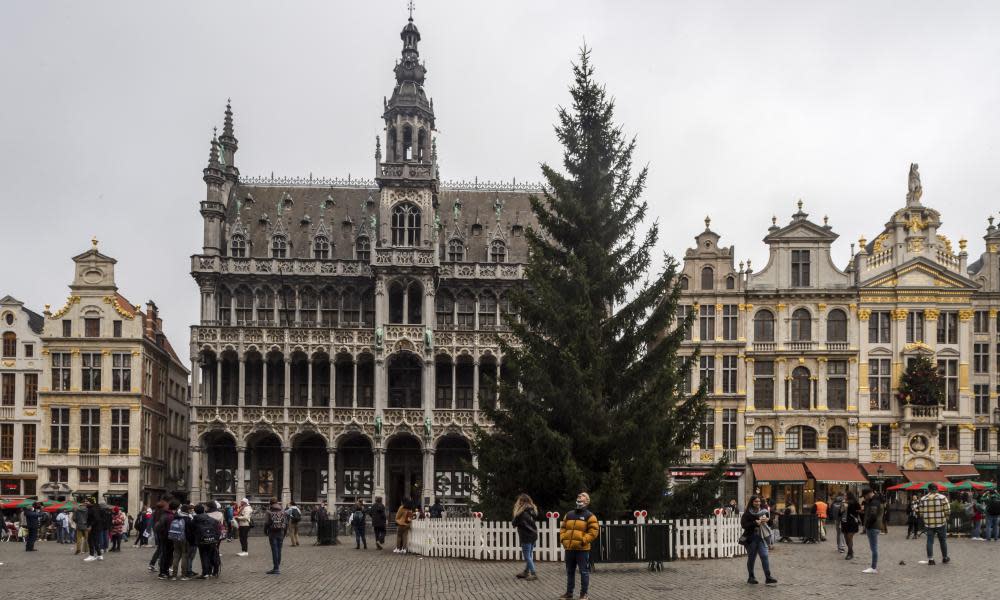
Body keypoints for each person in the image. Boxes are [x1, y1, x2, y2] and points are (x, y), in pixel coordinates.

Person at [559, 492, 600, 600]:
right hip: (569, 549)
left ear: (587, 501)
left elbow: (594, 532)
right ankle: (569, 593)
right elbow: (563, 528)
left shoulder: (590, 516)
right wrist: (563, 539)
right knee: (570, 572)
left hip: (582, 549)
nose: (579, 497)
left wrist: (583, 540)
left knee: (584, 572)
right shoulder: (569, 514)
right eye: (578, 496)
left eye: (582, 496)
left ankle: (584, 594)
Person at [741, 495, 777, 585]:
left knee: (764, 556)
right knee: (752, 558)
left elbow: (771, 523)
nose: (757, 503)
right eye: (755, 501)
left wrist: (768, 520)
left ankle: (768, 577)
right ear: (752, 502)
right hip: (751, 538)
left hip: (762, 538)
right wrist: (755, 523)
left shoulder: (764, 511)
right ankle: (751, 577)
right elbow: (744, 525)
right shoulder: (747, 513)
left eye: (759, 501)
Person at [916, 483, 950, 565]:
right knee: (942, 541)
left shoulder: (923, 499)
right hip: (941, 523)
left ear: (928, 489)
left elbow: (920, 512)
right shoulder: (943, 498)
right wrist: (945, 517)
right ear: (937, 489)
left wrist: (926, 518)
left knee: (929, 541)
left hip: (929, 524)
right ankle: (945, 558)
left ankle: (931, 559)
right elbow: (948, 510)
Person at [512, 493, 539, 581]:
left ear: (521, 502)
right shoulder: (532, 510)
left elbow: (514, 523)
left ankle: (533, 574)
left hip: (526, 536)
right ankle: (526, 572)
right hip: (533, 534)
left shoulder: (520, 513)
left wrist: (515, 514)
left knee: (527, 555)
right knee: (530, 555)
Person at [191, 504, 220, 579]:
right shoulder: (212, 519)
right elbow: (217, 530)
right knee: (212, 555)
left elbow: (191, 530)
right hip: (212, 540)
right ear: (203, 510)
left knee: (204, 556)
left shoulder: (195, 520)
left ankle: (206, 573)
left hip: (202, 541)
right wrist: (216, 539)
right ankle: (215, 571)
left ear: (195, 511)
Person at [169, 504, 193, 581]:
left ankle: (174, 575)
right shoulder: (188, 519)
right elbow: (190, 532)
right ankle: (183, 575)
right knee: (184, 556)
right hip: (184, 539)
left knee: (176, 555)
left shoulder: (176, 517)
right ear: (187, 510)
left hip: (175, 538)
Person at [155, 499, 178, 579]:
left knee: (167, 555)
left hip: (166, 537)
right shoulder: (169, 516)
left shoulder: (165, 514)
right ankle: (163, 572)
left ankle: (165, 571)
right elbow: (159, 527)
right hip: (167, 538)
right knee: (166, 555)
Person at [264, 497, 287, 575]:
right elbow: (286, 523)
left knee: (274, 550)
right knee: (279, 549)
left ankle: (276, 568)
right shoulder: (283, 511)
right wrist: (285, 533)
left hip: (272, 532)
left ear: (270, 503)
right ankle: (277, 566)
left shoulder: (269, 511)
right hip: (281, 532)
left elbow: (267, 523)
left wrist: (265, 531)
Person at [861, 488, 881, 574]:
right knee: (874, 547)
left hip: (873, 527)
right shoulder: (875, 501)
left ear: (869, 494)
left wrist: (867, 525)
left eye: (865, 496)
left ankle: (873, 567)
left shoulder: (874, 502)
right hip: (874, 526)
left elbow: (873, 515)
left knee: (874, 547)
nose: (864, 498)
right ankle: (873, 567)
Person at [206, 501, 226, 576]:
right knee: (215, 551)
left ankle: (209, 569)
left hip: (208, 535)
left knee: (208, 552)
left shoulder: (207, 514)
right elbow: (222, 523)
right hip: (218, 535)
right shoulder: (220, 514)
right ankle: (216, 569)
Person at [841, 491, 861, 560]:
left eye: (845, 495)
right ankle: (851, 551)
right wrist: (842, 509)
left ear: (849, 496)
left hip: (852, 522)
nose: (844, 496)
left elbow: (859, 510)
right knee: (846, 539)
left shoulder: (854, 502)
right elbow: (839, 513)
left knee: (849, 537)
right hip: (844, 522)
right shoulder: (843, 503)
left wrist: (851, 509)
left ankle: (849, 553)